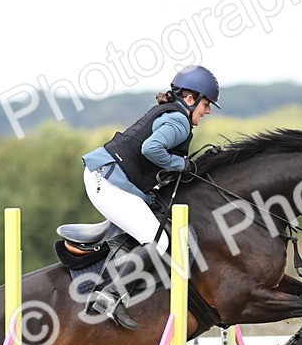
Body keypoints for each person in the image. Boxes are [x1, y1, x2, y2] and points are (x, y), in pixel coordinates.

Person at [80, 65, 220, 329]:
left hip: (107, 177)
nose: (208, 111)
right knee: (158, 241)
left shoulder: (172, 113)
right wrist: (182, 165)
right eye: (206, 104)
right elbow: (151, 148)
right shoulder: (179, 121)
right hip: (107, 182)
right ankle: (110, 296)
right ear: (190, 99)